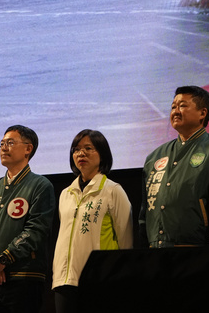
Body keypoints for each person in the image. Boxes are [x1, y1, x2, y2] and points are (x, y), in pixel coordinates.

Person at [0, 125, 55, 312]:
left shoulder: (40, 185)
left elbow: (36, 229)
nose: (4, 148)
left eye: (10, 143)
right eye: (2, 143)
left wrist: (3, 260)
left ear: (28, 149)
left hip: (24, 277)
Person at [139, 85, 209, 248]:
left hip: (196, 250)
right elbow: (144, 212)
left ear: (202, 113)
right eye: (173, 107)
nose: (175, 111)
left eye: (182, 106)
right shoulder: (155, 157)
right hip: (156, 250)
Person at [51, 130, 133, 313]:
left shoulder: (113, 191)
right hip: (64, 281)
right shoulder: (66, 193)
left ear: (102, 154)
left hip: (99, 280)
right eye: (77, 149)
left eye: (88, 148)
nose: (81, 153)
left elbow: (126, 242)